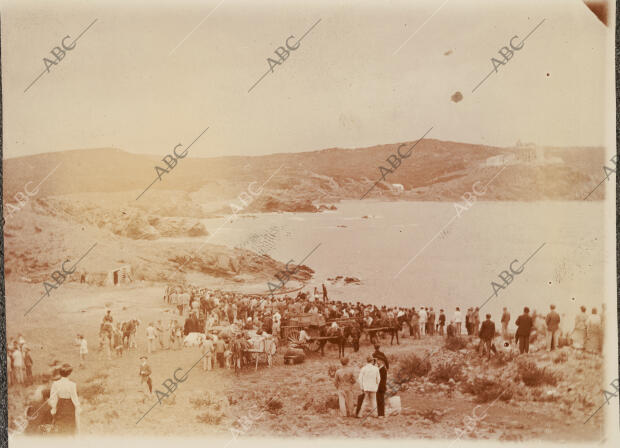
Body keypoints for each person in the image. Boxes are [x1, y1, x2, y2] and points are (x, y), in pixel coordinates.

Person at [49, 363, 80, 434]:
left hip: (60, 405)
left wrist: (53, 408)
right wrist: (78, 407)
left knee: (61, 424)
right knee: (70, 425)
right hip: (70, 406)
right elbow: (74, 398)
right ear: (69, 373)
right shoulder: (72, 384)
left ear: (60, 373)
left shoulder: (55, 383)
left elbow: (53, 397)